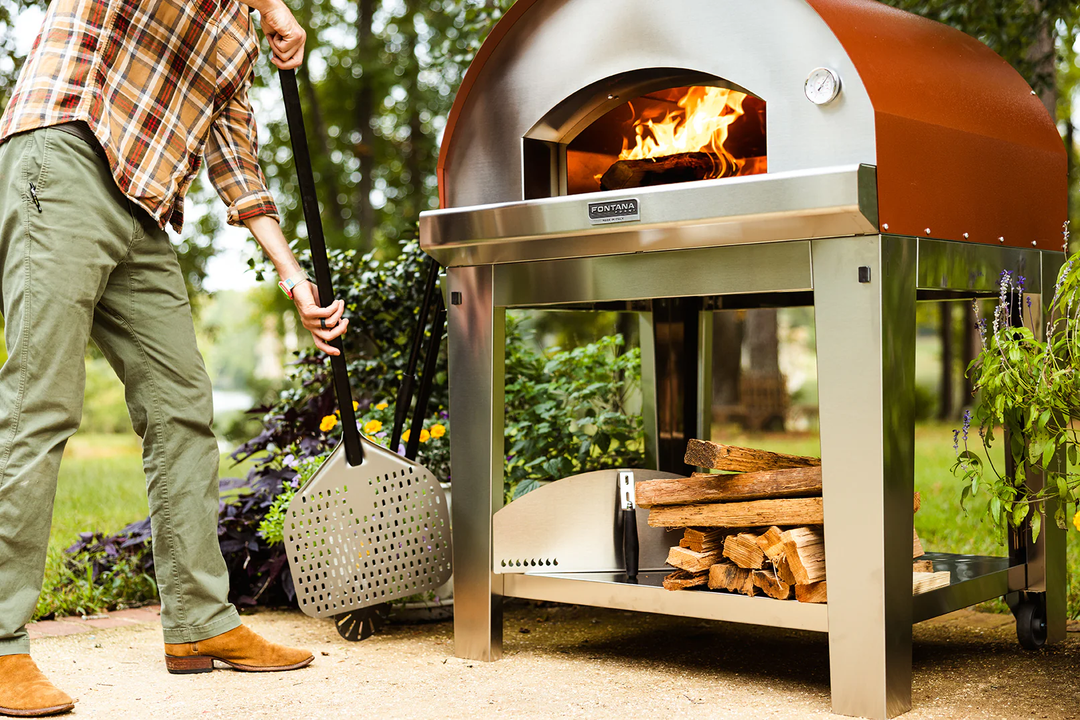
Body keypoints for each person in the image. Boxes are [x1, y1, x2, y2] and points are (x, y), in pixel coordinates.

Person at [0, 0, 350, 715]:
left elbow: (234, 160)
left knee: (183, 412)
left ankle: (201, 623)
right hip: (63, 153)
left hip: (144, 210)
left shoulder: (235, 34)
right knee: (40, 405)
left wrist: (293, 278)